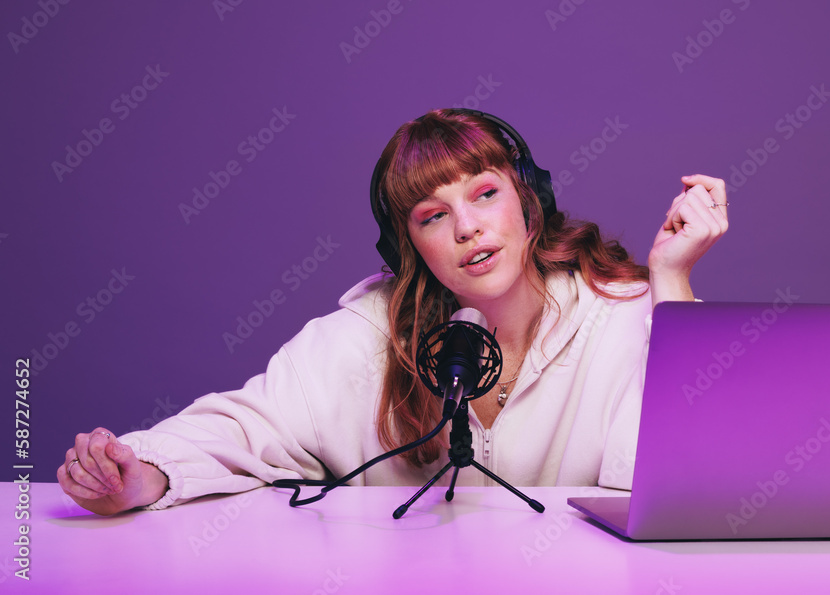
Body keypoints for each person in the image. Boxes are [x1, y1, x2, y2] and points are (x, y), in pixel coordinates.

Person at [56, 108, 729, 516]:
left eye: (485, 192)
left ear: (530, 203)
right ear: (410, 246)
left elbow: (672, 483)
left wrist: (671, 279)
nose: (468, 227)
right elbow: (238, 425)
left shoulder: (629, 312)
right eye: (434, 215)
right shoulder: (363, 339)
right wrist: (137, 473)